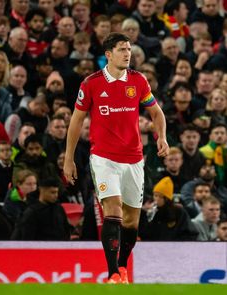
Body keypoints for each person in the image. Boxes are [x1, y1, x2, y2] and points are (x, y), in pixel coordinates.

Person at [63, 32, 169, 284]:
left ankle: (121, 268)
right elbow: (76, 121)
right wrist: (69, 159)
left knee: (132, 221)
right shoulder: (91, 83)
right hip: (104, 158)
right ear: (108, 55)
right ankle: (111, 273)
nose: (127, 53)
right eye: (122, 49)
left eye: (129, 49)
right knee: (113, 210)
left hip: (134, 159)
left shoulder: (138, 81)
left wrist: (162, 137)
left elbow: (156, 113)